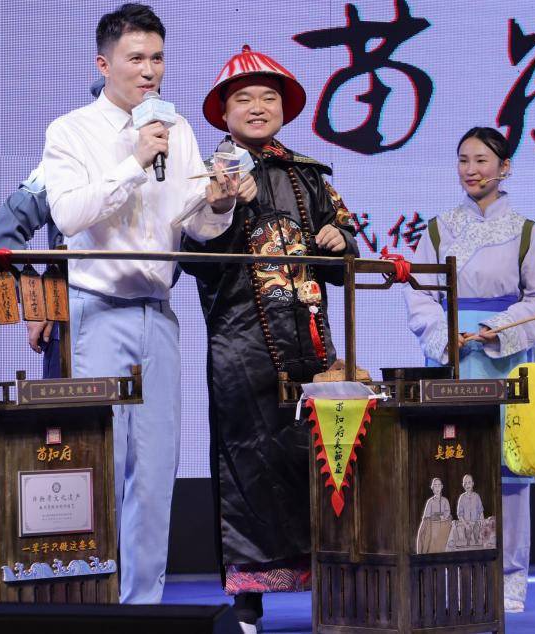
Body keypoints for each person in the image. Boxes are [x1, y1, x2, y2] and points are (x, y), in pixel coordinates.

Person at [41, 3, 244, 603]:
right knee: (98, 462)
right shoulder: (71, 131)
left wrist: (220, 202)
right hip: (95, 311)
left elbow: (195, 224)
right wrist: (133, 160)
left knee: (155, 472)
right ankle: (92, 602)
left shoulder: (176, 130)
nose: (150, 70)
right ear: (104, 64)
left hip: (158, 312)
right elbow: (69, 215)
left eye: (157, 58)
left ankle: (142, 609)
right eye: (136, 58)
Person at [180, 45, 358, 634]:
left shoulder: (310, 176)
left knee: (321, 460)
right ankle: (248, 604)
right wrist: (222, 207)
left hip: (313, 346)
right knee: (247, 465)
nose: (258, 107)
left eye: (268, 98)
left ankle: (334, 586)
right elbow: (193, 260)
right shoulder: (207, 175)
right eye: (244, 99)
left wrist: (340, 242)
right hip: (242, 346)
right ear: (223, 112)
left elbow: (347, 250)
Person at [403, 126, 535, 613]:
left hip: (504, 360)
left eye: (482, 161)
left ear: (504, 167)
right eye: (463, 160)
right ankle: (452, 573)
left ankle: (510, 578)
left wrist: (498, 329)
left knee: (509, 473)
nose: (471, 170)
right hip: (452, 360)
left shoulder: (525, 231)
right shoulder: (437, 229)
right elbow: (420, 297)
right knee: (451, 463)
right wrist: (444, 333)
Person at [0, 77, 105, 378]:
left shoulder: (159, 162)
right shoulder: (63, 164)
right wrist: (36, 300)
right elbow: (6, 230)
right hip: (74, 321)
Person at [415, 477, 452, 554]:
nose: (437, 487)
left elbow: (447, 513)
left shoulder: (445, 500)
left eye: (439, 485)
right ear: (432, 488)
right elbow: (427, 517)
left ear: (441, 487)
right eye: (435, 485)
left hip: (444, 525)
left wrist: (441, 517)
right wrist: (437, 516)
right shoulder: (430, 501)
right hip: (433, 526)